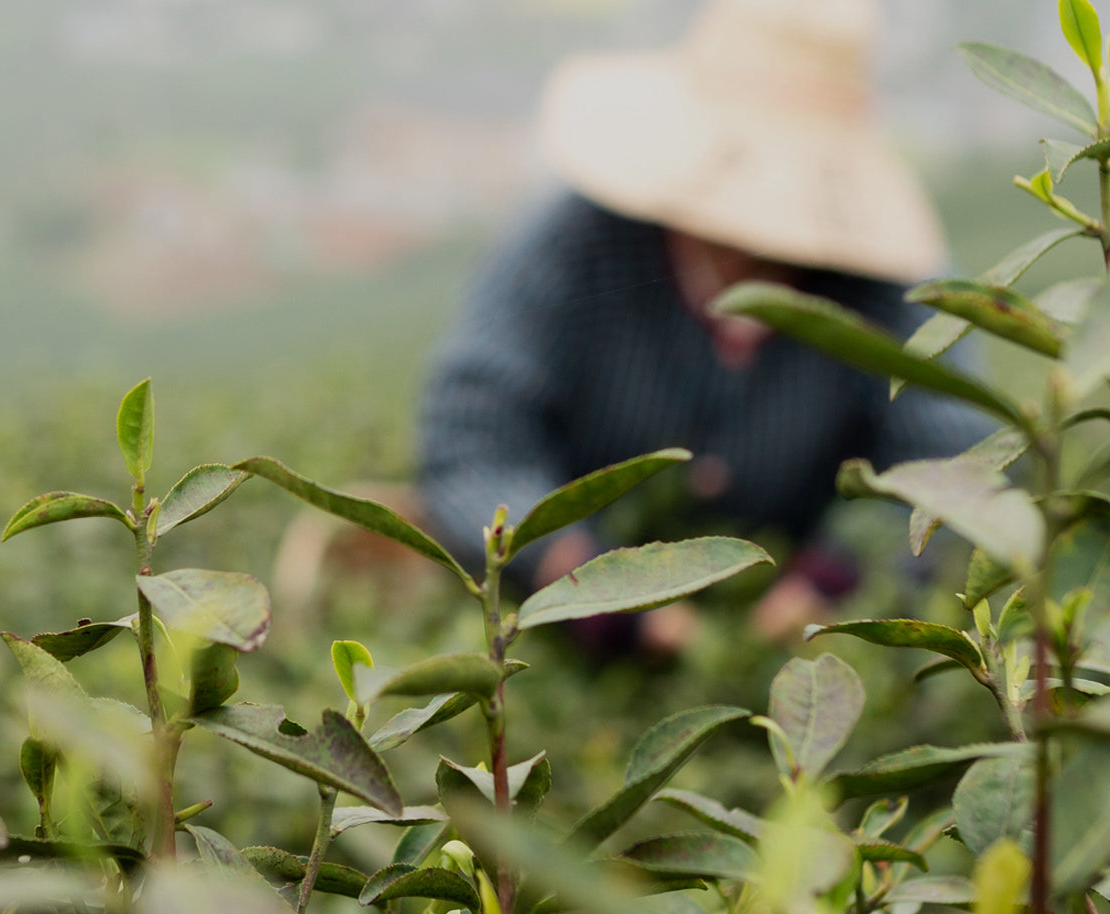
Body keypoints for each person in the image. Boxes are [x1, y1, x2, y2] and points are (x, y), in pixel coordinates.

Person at [416, 0, 994, 662]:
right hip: (557, 639)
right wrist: (586, 582)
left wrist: (836, 577)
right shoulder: (574, 244)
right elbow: (470, 438)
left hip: (804, 654)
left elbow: (952, 463)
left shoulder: (887, 281)